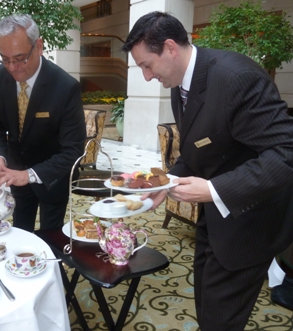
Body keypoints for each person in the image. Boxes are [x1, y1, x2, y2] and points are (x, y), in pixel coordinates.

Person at [122, 12, 293, 330]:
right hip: (214, 220)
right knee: (206, 307)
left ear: (171, 48)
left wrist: (214, 191)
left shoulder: (237, 77)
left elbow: (286, 153)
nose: (146, 77)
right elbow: (197, 148)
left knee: (219, 321)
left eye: (147, 65)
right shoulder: (179, 82)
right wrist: (164, 182)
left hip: (250, 224)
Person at [0, 14, 86, 232]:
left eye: (20, 58)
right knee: (20, 232)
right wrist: (0, 157)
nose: (12, 67)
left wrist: (29, 175)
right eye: (5, 58)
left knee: (51, 239)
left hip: (53, 178)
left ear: (38, 46)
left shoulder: (65, 87)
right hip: (15, 172)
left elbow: (73, 151)